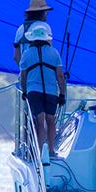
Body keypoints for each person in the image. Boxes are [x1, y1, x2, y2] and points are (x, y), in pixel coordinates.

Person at [19, 21, 65, 157]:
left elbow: (23, 77)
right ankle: (51, 151)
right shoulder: (54, 53)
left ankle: (40, 153)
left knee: (40, 122)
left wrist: (25, 91)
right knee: (51, 121)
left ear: (32, 39)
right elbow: (60, 76)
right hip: (51, 92)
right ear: (46, 39)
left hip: (34, 92)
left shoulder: (26, 54)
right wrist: (62, 94)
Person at [14, 0, 54, 64]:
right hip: (42, 71)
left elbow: (16, 57)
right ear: (41, 12)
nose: (47, 13)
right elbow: (49, 52)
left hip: (25, 71)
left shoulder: (20, 29)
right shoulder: (44, 26)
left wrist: (24, 70)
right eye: (46, 11)